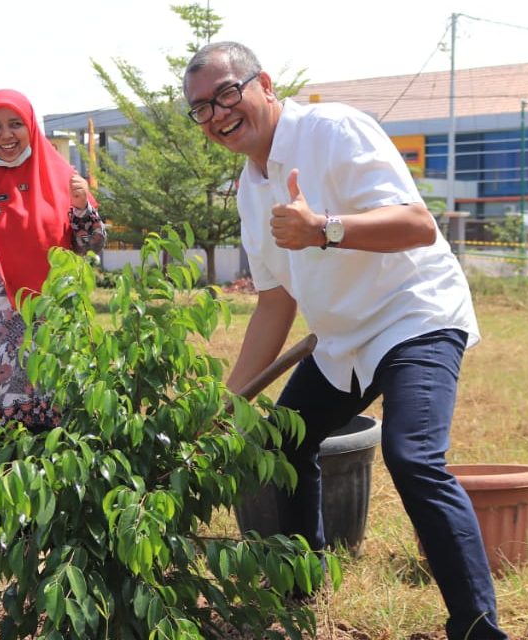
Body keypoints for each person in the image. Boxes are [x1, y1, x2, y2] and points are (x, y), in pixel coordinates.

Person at [183, 42, 507, 639]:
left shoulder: (333, 130)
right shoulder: (251, 189)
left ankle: (476, 625)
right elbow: (275, 302)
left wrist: (324, 230)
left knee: (412, 456)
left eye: (228, 93)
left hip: (415, 317)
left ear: (266, 85)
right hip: (341, 343)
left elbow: (417, 224)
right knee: (285, 444)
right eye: (200, 108)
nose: (218, 114)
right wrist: (229, 404)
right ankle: (301, 591)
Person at [0, 89, 105, 434]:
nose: (6, 135)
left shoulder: (63, 181)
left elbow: (91, 244)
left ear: (30, 127)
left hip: (53, 325)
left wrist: (81, 207)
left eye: (15, 124)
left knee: (59, 432)